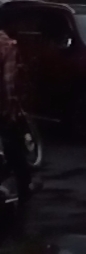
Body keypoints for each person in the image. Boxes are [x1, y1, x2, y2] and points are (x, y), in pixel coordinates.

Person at [0, 28, 31, 200]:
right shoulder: (7, 45)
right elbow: (8, 81)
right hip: (2, 106)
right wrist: (12, 106)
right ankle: (24, 187)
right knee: (14, 145)